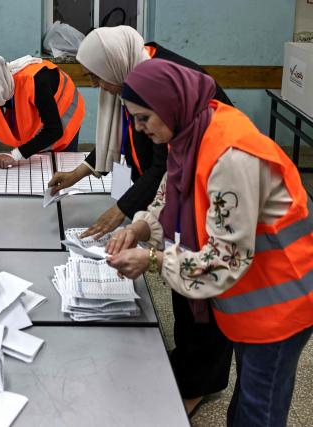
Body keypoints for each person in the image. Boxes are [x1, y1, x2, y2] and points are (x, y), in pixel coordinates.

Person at [107, 58, 313, 426]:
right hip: (249, 292)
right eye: (133, 119)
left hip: (279, 301)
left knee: (258, 409)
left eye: (143, 118)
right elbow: (172, 191)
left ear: (169, 104)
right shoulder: (188, 129)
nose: (138, 129)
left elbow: (223, 262)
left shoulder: (230, 154)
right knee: (247, 401)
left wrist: (153, 260)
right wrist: (141, 227)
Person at [47, 26, 233, 415]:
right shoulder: (140, 84)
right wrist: (141, 224)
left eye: (98, 77)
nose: (97, 85)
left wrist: (135, 228)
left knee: (206, 303)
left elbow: (221, 261)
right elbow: (166, 177)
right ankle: (188, 363)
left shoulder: (217, 148)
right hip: (187, 198)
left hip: (270, 293)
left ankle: (200, 382)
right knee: (186, 294)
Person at [48, 26, 231, 238]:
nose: (94, 84)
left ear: (112, 65)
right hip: (171, 189)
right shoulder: (130, 68)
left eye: (96, 76)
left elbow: (165, 165)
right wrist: (78, 173)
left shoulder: (160, 85)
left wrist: (122, 210)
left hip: (208, 185)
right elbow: (120, 134)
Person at [0, 55, 84, 168]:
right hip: (44, 118)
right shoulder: (0, 87)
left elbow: (54, 130)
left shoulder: (36, 82)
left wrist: (14, 156)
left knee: (61, 167)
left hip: (65, 115)